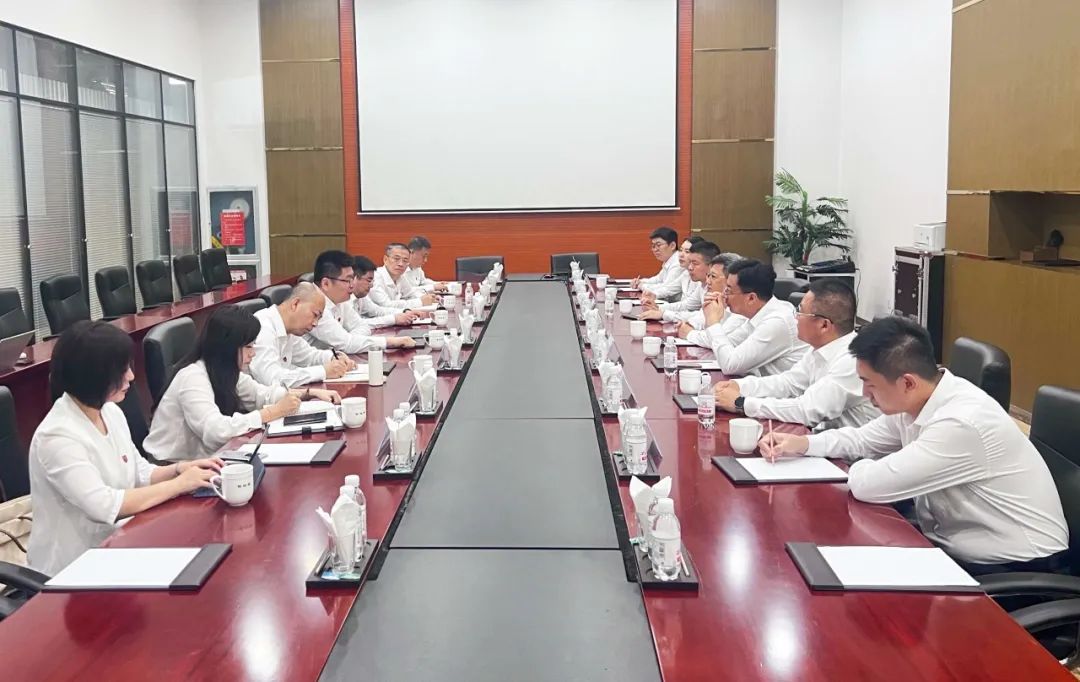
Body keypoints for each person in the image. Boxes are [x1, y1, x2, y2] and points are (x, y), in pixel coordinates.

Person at [758, 316, 1069, 575]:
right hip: (954, 543)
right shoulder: (919, 399)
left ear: (907, 382)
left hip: (1017, 567)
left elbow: (869, 485)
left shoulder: (961, 422)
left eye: (869, 383)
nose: (865, 394)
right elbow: (862, 439)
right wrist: (803, 443)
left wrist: (862, 465)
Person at [26, 321, 223, 574]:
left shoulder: (110, 411)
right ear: (93, 375)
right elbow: (104, 506)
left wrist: (179, 469)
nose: (131, 376)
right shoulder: (57, 436)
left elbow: (139, 472)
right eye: (122, 370)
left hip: (120, 546)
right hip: (73, 570)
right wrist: (179, 484)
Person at [144, 306, 342, 462]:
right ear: (227, 346)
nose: (253, 353)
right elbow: (216, 431)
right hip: (171, 468)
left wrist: (308, 393)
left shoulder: (224, 370)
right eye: (248, 347)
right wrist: (271, 413)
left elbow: (261, 395)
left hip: (207, 459)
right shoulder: (193, 377)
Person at [712, 279, 879, 429]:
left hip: (850, 452)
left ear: (824, 325)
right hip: (822, 439)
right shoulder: (820, 348)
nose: (796, 318)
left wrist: (741, 403)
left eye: (800, 311)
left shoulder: (852, 359)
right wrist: (739, 386)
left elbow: (807, 410)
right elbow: (789, 383)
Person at [691, 259, 807, 376]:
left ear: (751, 298)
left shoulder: (777, 321)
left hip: (779, 387)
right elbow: (729, 342)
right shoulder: (757, 314)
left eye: (729, 290)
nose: (724, 295)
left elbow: (730, 365)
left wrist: (713, 322)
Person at [306, 250, 414, 353]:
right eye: (348, 280)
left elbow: (362, 326)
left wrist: (352, 340)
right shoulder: (314, 306)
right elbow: (347, 344)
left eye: (352, 279)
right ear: (326, 284)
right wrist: (391, 342)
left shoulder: (339, 300)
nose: (352, 285)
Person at [250, 282, 354, 387]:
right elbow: (274, 379)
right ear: (295, 304)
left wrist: (333, 357)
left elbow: (309, 356)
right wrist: (323, 371)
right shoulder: (263, 327)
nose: (315, 323)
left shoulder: (289, 328)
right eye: (315, 315)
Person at [638, 240, 718, 322]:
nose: (690, 267)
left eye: (695, 263)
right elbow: (687, 304)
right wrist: (657, 307)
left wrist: (663, 314)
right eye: (681, 250)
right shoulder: (702, 284)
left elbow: (703, 316)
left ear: (711, 266)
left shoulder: (717, 286)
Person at [677, 252, 744, 337]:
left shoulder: (740, 308)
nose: (708, 281)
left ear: (731, 279)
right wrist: (689, 324)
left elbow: (717, 338)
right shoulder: (716, 298)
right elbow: (700, 318)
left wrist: (689, 333)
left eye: (713, 276)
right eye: (708, 276)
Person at [351, 255, 417, 328]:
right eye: (369, 281)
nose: (371, 285)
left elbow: (377, 311)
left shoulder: (361, 297)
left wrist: (405, 311)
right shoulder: (345, 299)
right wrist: (394, 319)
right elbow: (357, 324)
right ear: (354, 279)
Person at [369, 242, 439, 310]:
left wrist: (428, 298)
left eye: (405, 260)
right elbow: (386, 305)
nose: (401, 264)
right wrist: (420, 302)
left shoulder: (400, 276)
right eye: (396, 259)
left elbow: (411, 294)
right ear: (385, 259)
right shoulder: (375, 277)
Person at [640, 235, 702, 308]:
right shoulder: (686, 273)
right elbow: (669, 288)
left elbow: (689, 305)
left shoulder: (701, 277)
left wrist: (659, 308)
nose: (681, 255)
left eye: (687, 252)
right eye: (681, 250)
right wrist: (654, 294)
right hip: (680, 311)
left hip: (684, 312)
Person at [630, 227, 686, 302]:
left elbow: (666, 288)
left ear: (672, 245)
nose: (655, 249)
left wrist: (642, 286)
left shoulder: (678, 262)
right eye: (653, 246)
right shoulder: (669, 260)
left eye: (658, 245)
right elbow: (658, 279)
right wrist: (641, 281)